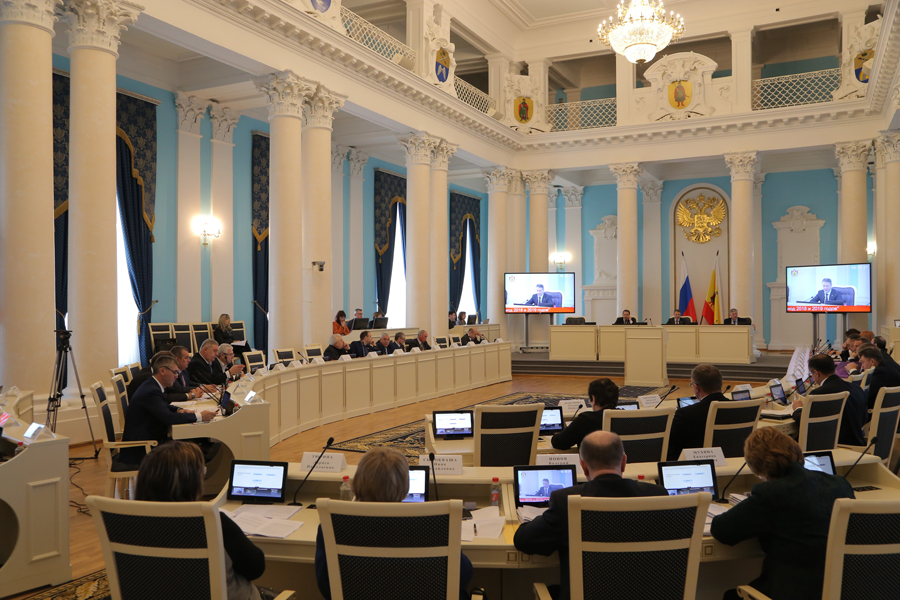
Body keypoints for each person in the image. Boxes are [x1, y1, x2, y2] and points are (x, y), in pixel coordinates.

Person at [514, 431, 668, 600]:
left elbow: (523, 540)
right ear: (624, 462)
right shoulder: (658, 495)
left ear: (583, 466)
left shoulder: (566, 500)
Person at [710, 428, 854, 600]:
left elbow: (722, 530)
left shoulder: (770, 493)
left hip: (790, 592)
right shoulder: (840, 484)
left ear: (757, 466)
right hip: (840, 590)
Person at [315, 447, 473, 600]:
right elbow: (463, 576)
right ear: (405, 488)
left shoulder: (333, 527)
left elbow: (326, 586)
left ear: (356, 483)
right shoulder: (435, 526)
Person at [135, 441, 280, 600]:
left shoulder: (129, 524)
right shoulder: (213, 522)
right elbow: (255, 568)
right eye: (202, 472)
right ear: (190, 484)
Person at [120, 355, 216, 464]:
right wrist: (199, 416)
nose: (176, 376)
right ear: (162, 371)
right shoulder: (151, 390)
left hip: (150, 440)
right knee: (190, 447)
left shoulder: (152, 385)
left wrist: (178, 410)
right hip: (142, 449)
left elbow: (163, 405)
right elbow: (169, 418)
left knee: (192, 443)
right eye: (174, 372)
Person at [791, 354, 866, 446]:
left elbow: (808, 424)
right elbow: (865, 418)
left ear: (816, 373)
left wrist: (798, 409)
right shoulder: (856, 387)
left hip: (835, 445)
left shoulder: (819, 394)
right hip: (858, 441)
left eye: (811, 374)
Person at [667, 364, 728, 460]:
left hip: (698, 462)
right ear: (720, 384)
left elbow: (672, 445)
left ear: (697, 387)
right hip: (736, 460)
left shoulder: (685, 414)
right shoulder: (741, 407)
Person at [551, 378, 619, 450]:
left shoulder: (586, 419)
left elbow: (559, 442)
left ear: (593, 399)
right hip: (622, 457)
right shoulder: (625, 418)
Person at [127, 350, 206, 402]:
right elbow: (164, 397)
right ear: (162, 368)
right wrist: (189, 395)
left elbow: (173, 390)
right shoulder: (146, 378)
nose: (176, 376)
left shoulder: (155, 373)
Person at [858, 346, 900, 411]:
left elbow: (868, 397)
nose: (862, 366)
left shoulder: (880, 373)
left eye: (863, 362)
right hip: (893, 412)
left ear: (872, 362)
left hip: (878, 412)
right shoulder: (887, 365)